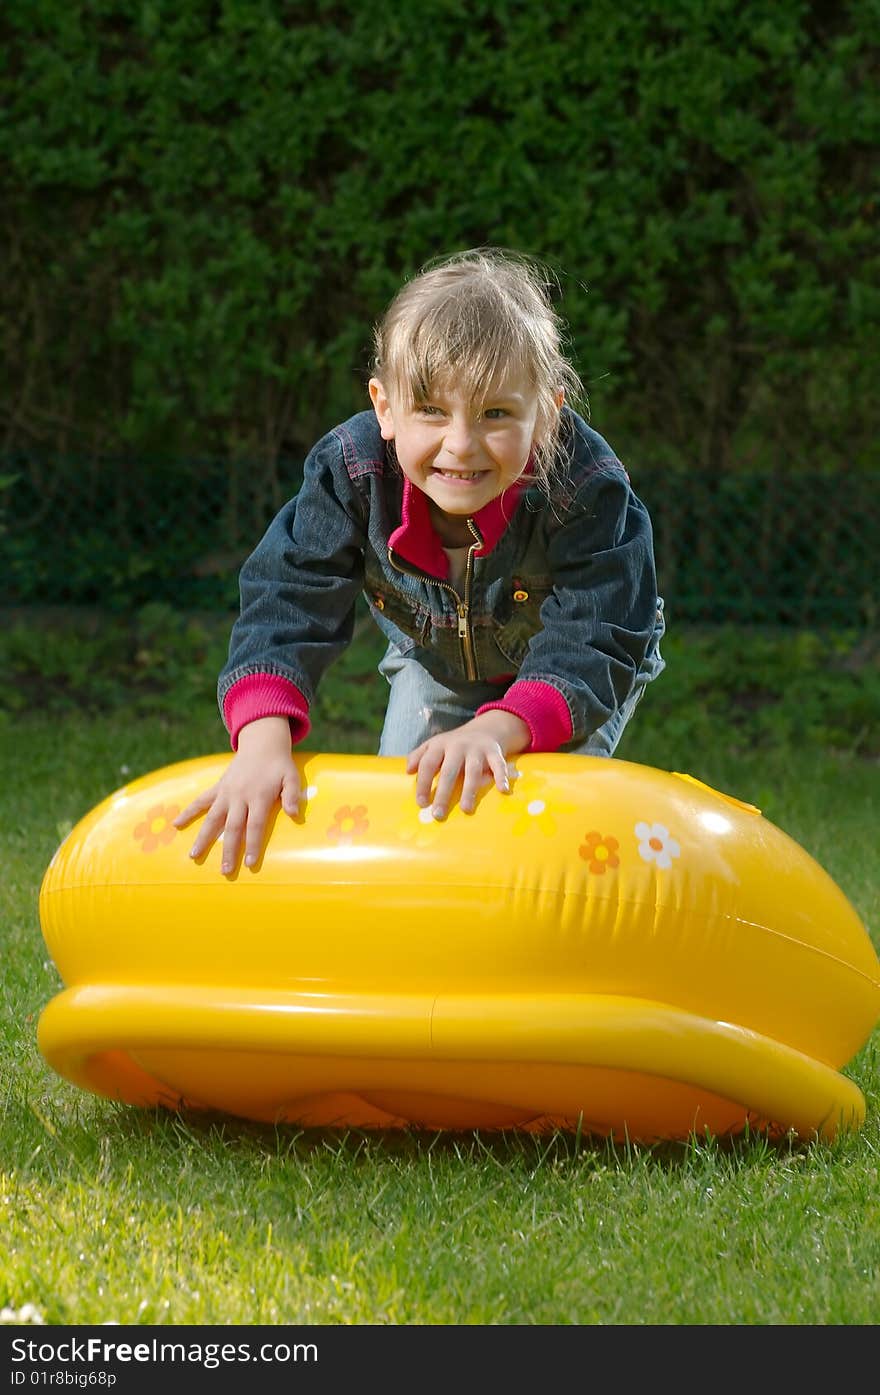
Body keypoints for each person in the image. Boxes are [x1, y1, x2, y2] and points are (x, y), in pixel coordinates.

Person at [174, 247, 665, 872]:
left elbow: (596, 636)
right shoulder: (350, 472)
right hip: (433, 658)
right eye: (431, 409)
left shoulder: (586, 487)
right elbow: (288, 595)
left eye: (495, 413)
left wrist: (499, 728)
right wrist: (261, 739)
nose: (460, 445)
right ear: (384, 407)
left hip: (573, 667)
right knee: (410, 821)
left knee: (541, 835)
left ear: (547, 412)